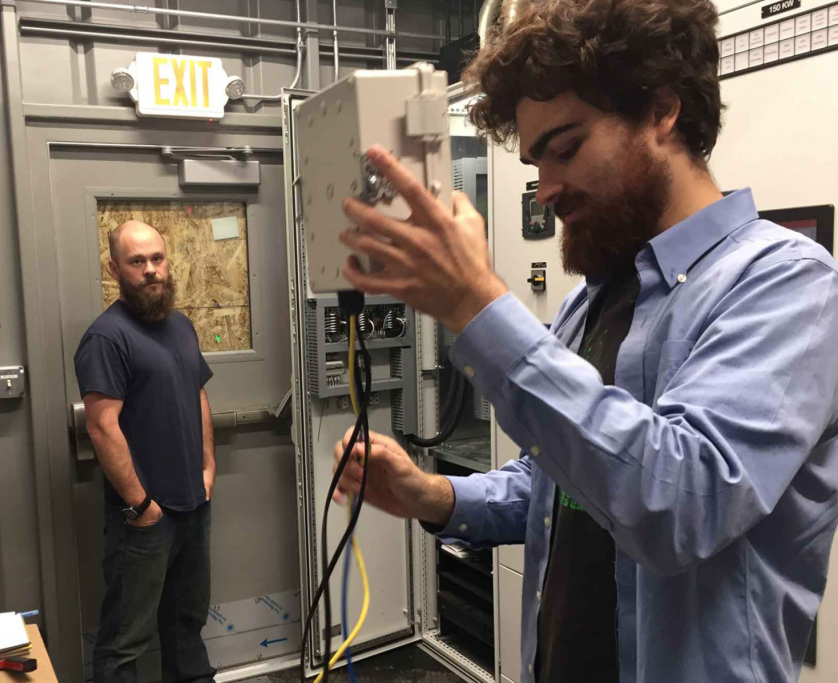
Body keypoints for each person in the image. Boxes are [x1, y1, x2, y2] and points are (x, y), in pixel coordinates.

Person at [330, 2, 838, 682]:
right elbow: (560, 485)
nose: (546, 189)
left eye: (565, 148)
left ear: (662, 111)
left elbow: (681, 503)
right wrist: (435, 496)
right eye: (537, 159)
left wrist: (477, 306)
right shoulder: (590, 299)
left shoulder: (787, 285)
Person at [74, 220, 217, 683]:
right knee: (123, 642)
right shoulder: (106, 337)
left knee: (186, 627)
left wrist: (208, 468)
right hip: (143, 520)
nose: (152, 270)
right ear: (114, 268)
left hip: (194, 506)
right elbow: (101, 426)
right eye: (138, 262)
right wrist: (142, 504)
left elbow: (198, 395)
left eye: (157, 258)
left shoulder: (180, 326)